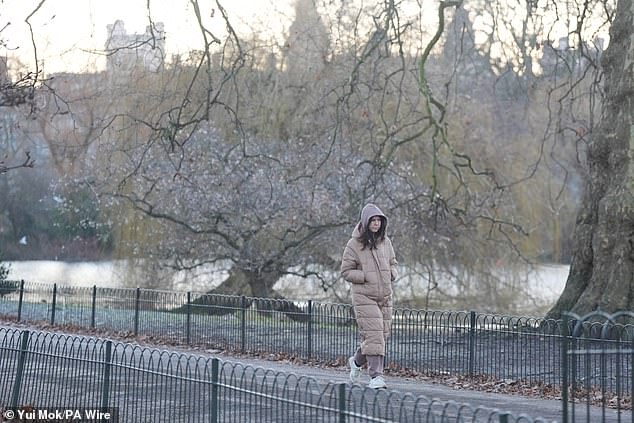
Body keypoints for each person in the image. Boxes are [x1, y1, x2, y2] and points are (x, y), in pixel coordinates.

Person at [340, 203, 398, 389]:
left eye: (378, 220)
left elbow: (393, 262)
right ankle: (376, 376)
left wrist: (392, 273)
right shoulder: (353, 244)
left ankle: (356, 362)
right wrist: (365, 276)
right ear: (365, 222)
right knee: (374, 336)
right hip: (365, 297)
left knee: (380, 336)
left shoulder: (385, 242)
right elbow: (346, 271)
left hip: (385, 297)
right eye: (372, 220)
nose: (376, 224)